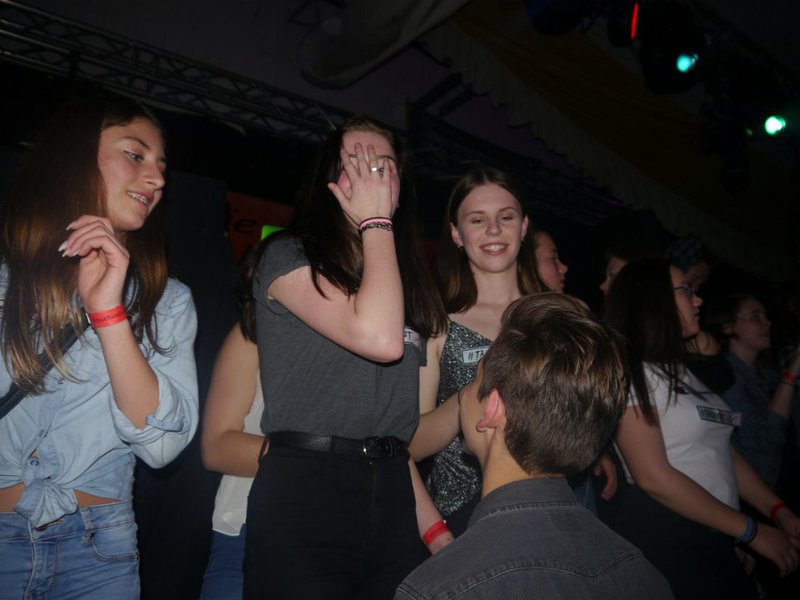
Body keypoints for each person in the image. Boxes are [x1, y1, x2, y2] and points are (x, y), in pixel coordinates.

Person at [0, 91, 198, 598]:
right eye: (136, 155)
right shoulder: (5, 279)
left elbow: (162, 447)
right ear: (76, 155)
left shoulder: (167, 302)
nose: (156, 179)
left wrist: (109, 314)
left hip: (98, 549)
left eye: (161, 167)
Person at [243, 115, 447, 598]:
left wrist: (436, 532)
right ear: (329, 180)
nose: (372, 176)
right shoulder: (286, 255)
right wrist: (376, 222)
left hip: (391, 492)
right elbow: (378, 338)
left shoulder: (405, 289)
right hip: (307, 488)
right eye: (356, 163)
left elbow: (392, 439)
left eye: (384, 167)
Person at [397, 293, 674, 600]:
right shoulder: (643, 574)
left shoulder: (437, 588)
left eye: (474, 381)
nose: (464, 396)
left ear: (492, 409)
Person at [605, 257, 800, 600]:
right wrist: (750, 531)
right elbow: (652, 475)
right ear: (655, 299)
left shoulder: (680, 370)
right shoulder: (630, 370)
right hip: (668, 535)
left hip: (712, 534)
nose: (698, 299)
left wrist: (776, 510)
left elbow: (723, 452)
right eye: (686, 290)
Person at [409, 166, 541, 536]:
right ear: (456, 233)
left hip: (544, 505)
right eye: (478, 219)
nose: (494, 230)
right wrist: (473, 394)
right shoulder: (437, 324)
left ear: (524, 227)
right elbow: (412, 443)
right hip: (463, 519)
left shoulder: (557, 317)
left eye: (506, 217)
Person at [707, 295, 800, 492]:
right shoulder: (724, 379)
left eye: (765, 316)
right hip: (761, 491)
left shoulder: (768, 375)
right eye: (755, 317)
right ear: (728, 327)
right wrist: (791, 375)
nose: (767, 323)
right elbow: (763, 439)